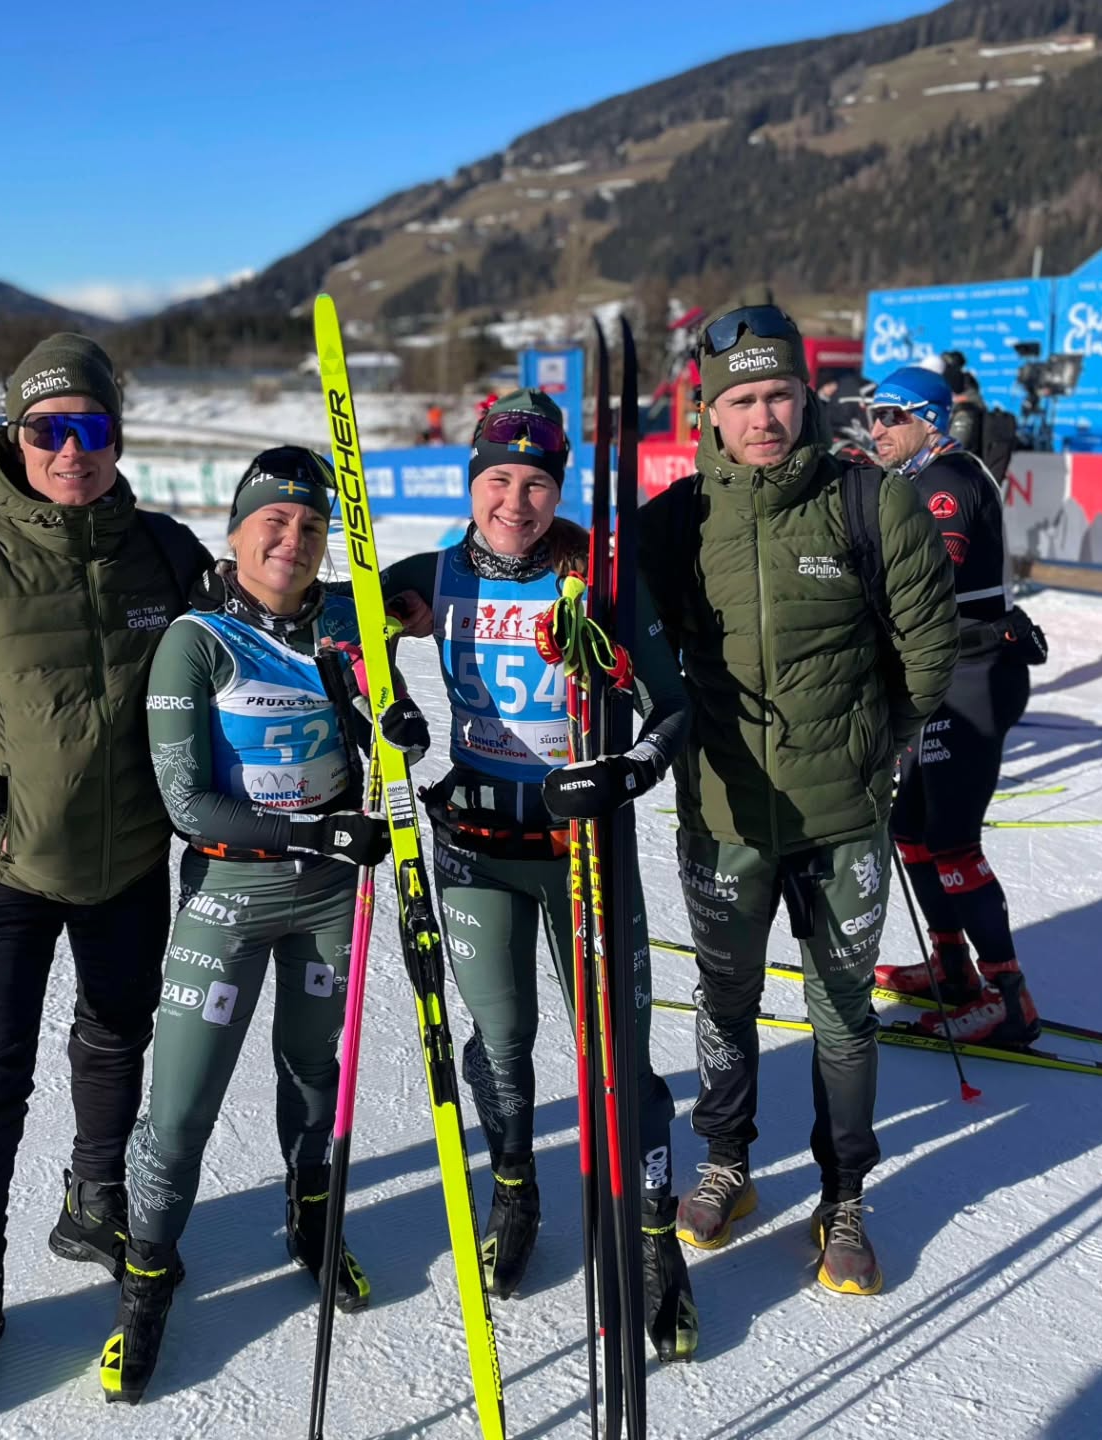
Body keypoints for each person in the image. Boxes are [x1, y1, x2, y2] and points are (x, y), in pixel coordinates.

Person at [0, 333, 213, 1422]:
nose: (71, 450)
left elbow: (255, 629)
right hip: (5, 877)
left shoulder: (165, 552)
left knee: (115, 1038)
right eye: (48, 429)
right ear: (15, 437)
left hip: (130, 867)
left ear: (118, 436)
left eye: (91, 427)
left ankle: (94, 1197)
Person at [636, 307, 958, 1296]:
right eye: (741, 399)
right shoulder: (674, 522)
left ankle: (844, 1196)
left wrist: (872, 749)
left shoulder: (873, 502)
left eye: (778, 395)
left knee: (843, 1013)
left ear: (805, 398)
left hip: (843, 820)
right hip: (724, 817)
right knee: (725, 997)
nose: (763, 417)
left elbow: (928, 652)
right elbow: (624, 638)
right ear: (711, 411)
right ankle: (726, 1162)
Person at [103, 447, 425, 1404]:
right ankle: (148, 1275)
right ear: (238, 531)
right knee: (180, 1105)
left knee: (316, 1074)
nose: (293, 539)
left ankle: (311, 1222)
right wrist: (318, 830)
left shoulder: (344, 620)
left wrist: (397, 725)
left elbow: (384, 697)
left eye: (312, 525)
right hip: (229, 894)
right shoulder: (197, 640)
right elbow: (187, 804)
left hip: (329, 897)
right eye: (273, 521)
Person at [383, 389, 699, 1362]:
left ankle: (653, 1234)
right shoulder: (433, 577)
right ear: (471, 483)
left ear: (557, 490)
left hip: (583, 854)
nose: (514, 503)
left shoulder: (600, 578)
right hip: (476, 849)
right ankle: (514, 1188)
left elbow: (675, 708)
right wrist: (383, 688)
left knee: (618, 1055)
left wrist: (629, 770)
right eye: (498, 481)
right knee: (503, 1040)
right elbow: (336, 632)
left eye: (535, 484)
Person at [866, 367, 1045, 1044]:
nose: (876, 427)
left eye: (891, 415)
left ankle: (1009, 997)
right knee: (910, 828)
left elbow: (928, 578)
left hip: (973, 676)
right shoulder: (913, 477)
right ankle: (953, 968)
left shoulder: (948, 479)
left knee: (951, 841)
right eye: (873, 413)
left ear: (930, 419)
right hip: (941, 674)